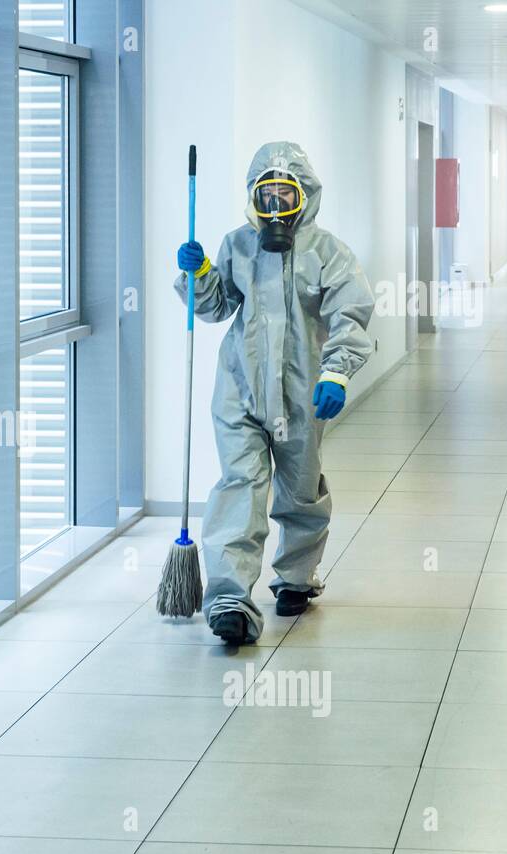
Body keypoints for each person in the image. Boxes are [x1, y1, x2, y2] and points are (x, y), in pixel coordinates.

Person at [174, 142, 374, 645]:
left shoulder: (329, 253)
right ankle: (230, 599)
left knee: (299, 490)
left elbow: (350, 314)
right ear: (254, 198)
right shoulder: (238, 245)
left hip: (302, 393)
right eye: (268, 196)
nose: (276, 208)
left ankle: (296, 578)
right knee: (240, 485)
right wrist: (198, 275)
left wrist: (338, 373)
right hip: (239, 390)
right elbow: (215, 307)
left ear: (305, 197)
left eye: (287, 195)